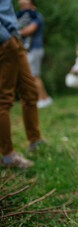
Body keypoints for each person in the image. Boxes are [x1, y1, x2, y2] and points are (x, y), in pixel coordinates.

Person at [0, 0, 43, 168]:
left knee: (30, 92)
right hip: (5, 41)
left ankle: (35, 140)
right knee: (4, 99)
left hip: (14, 39)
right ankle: (8, 157)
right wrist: (4, 37)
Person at [17, 0, 53, 108]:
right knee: (34, 75)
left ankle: (41, 99)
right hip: (31, 49)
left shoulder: (36, 16)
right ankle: (45, 99)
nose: (23, 9)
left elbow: (30, 30)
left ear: (31, 5)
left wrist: (16, 32)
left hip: (34, 49)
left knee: (33, 76)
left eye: (25, 6)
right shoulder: (27, 16)